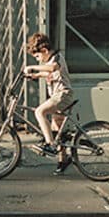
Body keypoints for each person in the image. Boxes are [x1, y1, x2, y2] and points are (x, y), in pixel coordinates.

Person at [23, 32, 75, 174]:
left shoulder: (57, 58)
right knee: (57, 130)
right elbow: (48, 73)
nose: (39, 60)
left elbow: (52, 68)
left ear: (45, 51)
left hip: (63, 95)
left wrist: (32, 67)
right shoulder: (50, 61)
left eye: (38, 56)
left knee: (39, 112)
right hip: (57, 96)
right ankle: (63, 159)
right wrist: (34, 75)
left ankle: (49, 145)